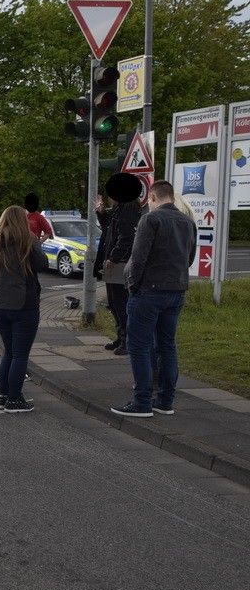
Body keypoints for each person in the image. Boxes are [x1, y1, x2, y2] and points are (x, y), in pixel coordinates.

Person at [111, 179, 197, 418]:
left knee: (137, 346)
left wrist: (132, 286)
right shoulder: (188, 222)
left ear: (153, 197)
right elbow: (189, 258)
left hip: (149, 291)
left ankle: (141, 402)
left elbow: (137, 259)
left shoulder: (150, 219)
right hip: (176, 291)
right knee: (167, 346)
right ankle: (165, 401)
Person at [0, 206, 49, 413]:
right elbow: (41, 264)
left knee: (9, 352)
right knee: (20, 355)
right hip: (23, 304)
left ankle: (2, 395)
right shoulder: (28, 240)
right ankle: (14, 399)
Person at [93, 173, 142, 356]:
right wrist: (101, 213)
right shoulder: (121, 207)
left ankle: (127, 339)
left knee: (120, 302)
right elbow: (109, 228)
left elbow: (126, 237)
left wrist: (113, 258)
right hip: (114, 262)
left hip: (120, 263)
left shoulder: (128, 207)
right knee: (114, 302)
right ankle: (121, 336)